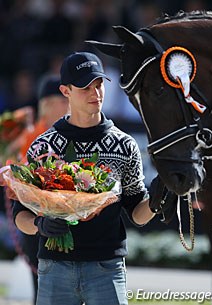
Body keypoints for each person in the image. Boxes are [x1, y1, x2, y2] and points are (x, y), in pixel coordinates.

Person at [12, 51, 163, 305]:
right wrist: (40, 225)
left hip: (107, 268)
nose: (96, 93)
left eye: (99, 84)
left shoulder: (124, 145)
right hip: (55, 267)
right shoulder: (44, 146)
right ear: (65, 90)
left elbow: (137, 214)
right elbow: (20, 215)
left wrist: (160, 194)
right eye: (85, 87)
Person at [10, 74, 69, 305]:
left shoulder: (69, 132)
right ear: (47, 104)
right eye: (63, 100)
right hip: (33, 218)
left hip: (61, 215)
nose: (68, 104)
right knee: (43, 288)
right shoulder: (32, 136)